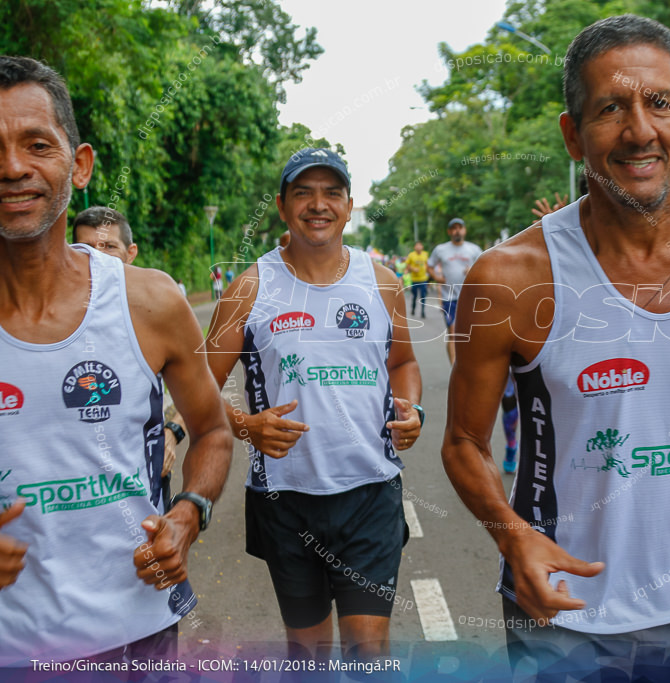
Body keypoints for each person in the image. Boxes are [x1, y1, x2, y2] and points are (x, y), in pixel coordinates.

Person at [441, 15, 670, 674]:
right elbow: (463, 441)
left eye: (658, 104)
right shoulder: (509, 279)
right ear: (573, 136)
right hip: (562, 613)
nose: (639, 131)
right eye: (610, 109)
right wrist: (513, 537)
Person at [0, 55, 232, 666]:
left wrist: (190, 511)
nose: (13, 167)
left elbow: (212, 430)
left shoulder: (149, 301)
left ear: (79, 166)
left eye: (36, 145)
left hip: (142, 632)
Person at [203, 147, 423, 661]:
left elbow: (404, 363)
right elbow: (198, 387)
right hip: (284, 500)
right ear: (282, 206)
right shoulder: (250, 288)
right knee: (309, 653)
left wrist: (409, 407)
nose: (317, 205)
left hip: (370, 494)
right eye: (303, 193)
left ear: (349, 205)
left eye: (331, 193)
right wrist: (244, 424)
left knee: (369, 651)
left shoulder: (383, 283)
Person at [73, 206, 187, 508]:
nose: (97, 256)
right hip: (69, 493)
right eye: (86, 248)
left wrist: (172, 433)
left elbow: (203, 392)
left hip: (143, 489)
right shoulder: (49, 322)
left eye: (109, 246)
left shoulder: (155, 313)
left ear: (131, 252)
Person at [428, 218, 482, 365]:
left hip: (470, 298)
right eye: (454, 228)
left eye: (460, 227)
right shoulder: (441, 249)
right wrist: (437, 278)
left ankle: (468, 364)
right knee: (453, 333)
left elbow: (485, 268)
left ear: (464, 230)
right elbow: (430, 266)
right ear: (449, 232)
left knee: (469, 334)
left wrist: (473, 271)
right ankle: (455, 368)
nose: (457, 230)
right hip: (449, 297)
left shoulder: (474, 249)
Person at [405, 241, 430, 318]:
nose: (418, 247)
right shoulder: (411, 255)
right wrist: (413, 268)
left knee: (423, 296)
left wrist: (429, 276)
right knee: (415, 295)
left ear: (422, 247)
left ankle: (423, 311)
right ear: (414, 247)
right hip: (414, 279)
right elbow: (407, 266)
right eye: (417, 246)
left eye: (420, 245)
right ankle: (413, 308)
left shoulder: (425, 254)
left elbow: (427, 265)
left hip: (423, 279)